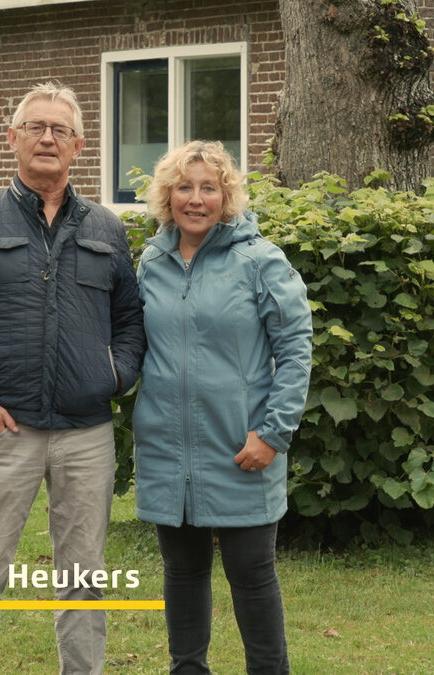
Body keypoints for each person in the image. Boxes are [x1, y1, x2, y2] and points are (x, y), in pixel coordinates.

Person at [0, 82, 145, 675]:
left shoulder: (107, 230)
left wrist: (114, 376)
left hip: (86, 433)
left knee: (83, 577)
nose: (48, 138)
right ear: (11, 138)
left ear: (80, 146)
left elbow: (131, 321)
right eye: (36, 127)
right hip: (3, 430)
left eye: (60, 130)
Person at [132, 140, 313, 674]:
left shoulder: (260, 260)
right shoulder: (152, 261)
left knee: (252, 577)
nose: (195, 199)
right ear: (168, 196)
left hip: (241, 447)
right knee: (182, 574)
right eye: (183, 187)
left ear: (226, 195)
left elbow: (296, 348)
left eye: (208, 187)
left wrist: (273, 434)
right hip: (168, 449)